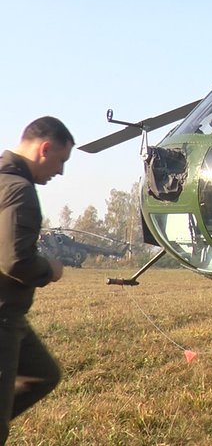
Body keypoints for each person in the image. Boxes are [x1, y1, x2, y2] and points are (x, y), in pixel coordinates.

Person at [0, 117, 73, 444]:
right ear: (45, 148)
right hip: (3, 315)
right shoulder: (19, 190)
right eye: (61, 161)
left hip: (10, 316)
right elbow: (16, 260)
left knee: (42, 374)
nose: (60, 172)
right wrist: (50, 269)